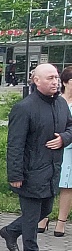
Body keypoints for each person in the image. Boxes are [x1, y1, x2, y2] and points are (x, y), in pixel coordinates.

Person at [0, 64, 72, 251]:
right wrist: (15, 174)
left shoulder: (60, 104)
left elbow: (70, 127)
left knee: (46, 210)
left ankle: (11, 231)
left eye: (56, 77)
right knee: (32, 217)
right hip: (30, 171)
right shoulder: (24, 107)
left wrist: (64, 139)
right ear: (36, 81)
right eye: (50, 78)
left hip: (51, 169)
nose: (55, 82)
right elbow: (15, 144)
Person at [55, 66, 72, 237]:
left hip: (70, 150)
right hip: (54, 147)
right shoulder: (56, 101)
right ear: (66, 82)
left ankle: (61, 222)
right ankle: (42, 218)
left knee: (68, 185)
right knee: (51, 182)